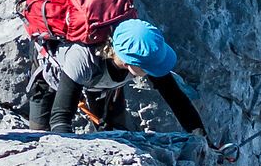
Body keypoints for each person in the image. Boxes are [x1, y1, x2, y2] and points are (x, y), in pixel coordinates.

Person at [35, 15, 207, 136]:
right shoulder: (83, 58)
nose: (153, 72)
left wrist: (202, 139)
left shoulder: (142, 53)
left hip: (101, 86)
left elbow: (175, 97)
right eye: (148, 68)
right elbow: (60, 119)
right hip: (52, 80)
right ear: (128, 63)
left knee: (116, 134)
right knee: (39, 136)